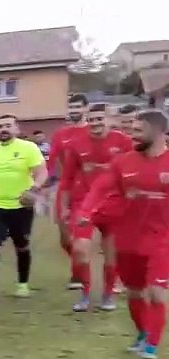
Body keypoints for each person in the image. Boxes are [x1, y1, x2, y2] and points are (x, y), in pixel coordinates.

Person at [75, 109, 169, 359]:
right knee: (135, 293)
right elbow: (100, 188)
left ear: (160, 132)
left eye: (139, 131)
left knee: (157, 293)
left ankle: (151, 347)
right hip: (127, 240)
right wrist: (86, 212)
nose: (133, 136)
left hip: (162, 240)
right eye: (132, 130)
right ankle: (142, 333)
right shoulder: (123, 162)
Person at [61, 103, 133, 311]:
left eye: (99, 119)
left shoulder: (124, 142)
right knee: (80, 249)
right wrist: (65, 206)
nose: (95, 123)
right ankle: (85, 294)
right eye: (91, 120)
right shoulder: (76, 143)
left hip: (115, 205)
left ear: (109, 120)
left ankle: (108, 295)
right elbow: (67, 178)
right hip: (84, 204)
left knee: (111, 253)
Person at [0, 113, 46, 299]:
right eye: (0, 126)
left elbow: (42, 173)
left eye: (8, 125)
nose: (4, 129)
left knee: (21, 245)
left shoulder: (28, 148)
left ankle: (22, 284)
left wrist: (34, 189)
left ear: (16, 128)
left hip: (20, 207)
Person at [48, 94, 91, 288]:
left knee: (78, 233)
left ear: (86, 109)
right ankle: (81, 262)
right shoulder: (60, 134)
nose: (74, 111)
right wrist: (43, 184)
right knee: (65, 239)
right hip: (64, 189)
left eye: (78, 107)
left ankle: (78, 275)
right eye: (71, 107)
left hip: (86, 191)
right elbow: (52, 162)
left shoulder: (93, 131)